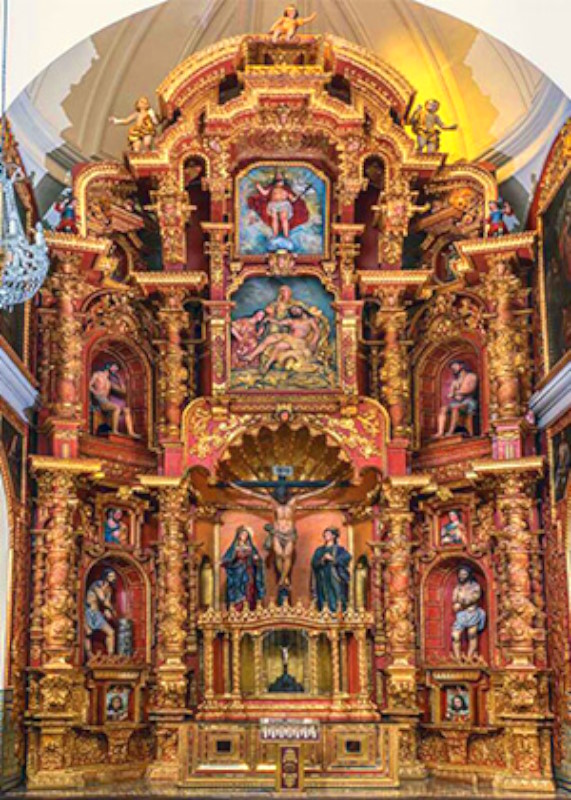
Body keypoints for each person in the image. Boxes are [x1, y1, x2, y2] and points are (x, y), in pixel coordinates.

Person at [230, 480, 334, 594]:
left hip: (289, 534)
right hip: (277, 533)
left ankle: (282, 579)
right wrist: (238, 487)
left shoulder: (293, 502)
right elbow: (255, 495)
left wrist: (326, 487)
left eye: (283, 493)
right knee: (279, 555)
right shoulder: (274, 503)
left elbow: (310, 495)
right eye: (279, 493)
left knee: (287, 556)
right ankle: (284, 578)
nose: (281, 496)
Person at [221, 526, 266, 611]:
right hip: (237, 572)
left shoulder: (251, 547)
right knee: (237, 588)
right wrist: (231, 559)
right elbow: (227, 558)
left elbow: (258, 559)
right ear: (239, 535)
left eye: (246, 534)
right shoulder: (234, 547)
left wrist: (256, 559)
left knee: (249, 588)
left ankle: (249, 607)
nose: (244, 536)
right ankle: (237, 608)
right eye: (242, 534)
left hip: (248, 571)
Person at [89, 362, 136, 437]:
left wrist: (119, 379)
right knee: (116, 408)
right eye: (114, 368)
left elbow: (123, 392)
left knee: (126, 410)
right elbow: (89, 385)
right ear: (108, 367)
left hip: (105, 401)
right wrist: (95, 393)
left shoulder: (109, 382)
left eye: (116, 369)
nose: (115, 370)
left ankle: (131, 433)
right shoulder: (97, 375)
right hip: (98, 399)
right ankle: (114, 431)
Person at [311, 527, 352, 613]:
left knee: (336, 594)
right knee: (323, 594)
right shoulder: (320, 550)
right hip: (323, 577)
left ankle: (337, 611)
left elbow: (347, 557)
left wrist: (333, 559)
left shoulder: (339, 549)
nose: (326, 536)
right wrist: (322, 560)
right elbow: (314, 563)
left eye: (328, 534)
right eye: (325, 534)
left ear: (334, 536)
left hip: (335, 576)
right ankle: (324, 611)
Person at [435, 360, 478, 438]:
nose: (453, 368)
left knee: (455, 408)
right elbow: (451, 393)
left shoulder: (471, 376)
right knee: (443, 409)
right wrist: (453, 393)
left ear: (461, 366)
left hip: (468, 401)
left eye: (455, 366)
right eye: (452, 367)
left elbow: (470, 389)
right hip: (457, 401)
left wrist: (457, 393)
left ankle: (451, 431)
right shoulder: (456, 381)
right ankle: (440, 432)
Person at [451, 566, 486, 660]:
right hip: (461, 615)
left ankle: (470, 657)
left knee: (472, 634)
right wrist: (456, 604)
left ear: (469, 575)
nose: (462, 576)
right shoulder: (458, 588)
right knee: (455, 635)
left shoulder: (475, 586)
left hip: (472, 613)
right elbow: (454, 599)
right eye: (460, 574)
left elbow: (473, 598)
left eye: (464, 574)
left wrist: (461, 603)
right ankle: (457, 658)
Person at [85, 568, 118, 657]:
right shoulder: (97, 584)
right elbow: (103, 599)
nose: (113, 578)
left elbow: (107, 603)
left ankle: (110, 655)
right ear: (106, 576)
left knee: (111, 632)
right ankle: (89, 654)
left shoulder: (109, 589)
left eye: (114, 576)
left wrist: (108, 612)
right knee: (88, 633)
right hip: (88, 612)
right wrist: (113, 610)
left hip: (97, 613)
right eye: (111, 576)